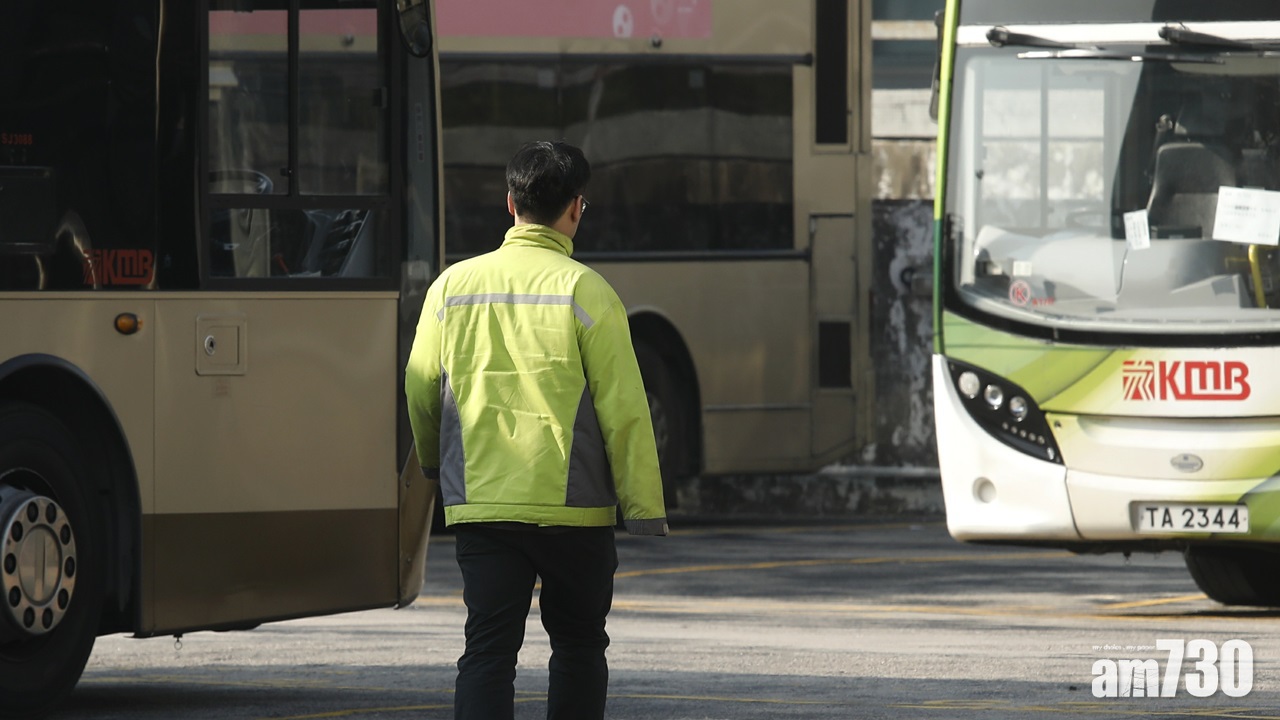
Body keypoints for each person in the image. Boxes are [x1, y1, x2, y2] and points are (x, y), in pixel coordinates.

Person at [404, 140, 668, 720]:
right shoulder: (588, 291)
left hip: (485, 509)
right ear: (577, 208)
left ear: (509, 203)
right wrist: (642, 507)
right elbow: (625, 409)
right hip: (575, 515)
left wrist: (433, 463)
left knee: (488, 652)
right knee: (577, 645)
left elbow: (421, 386)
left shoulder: (451, 288)